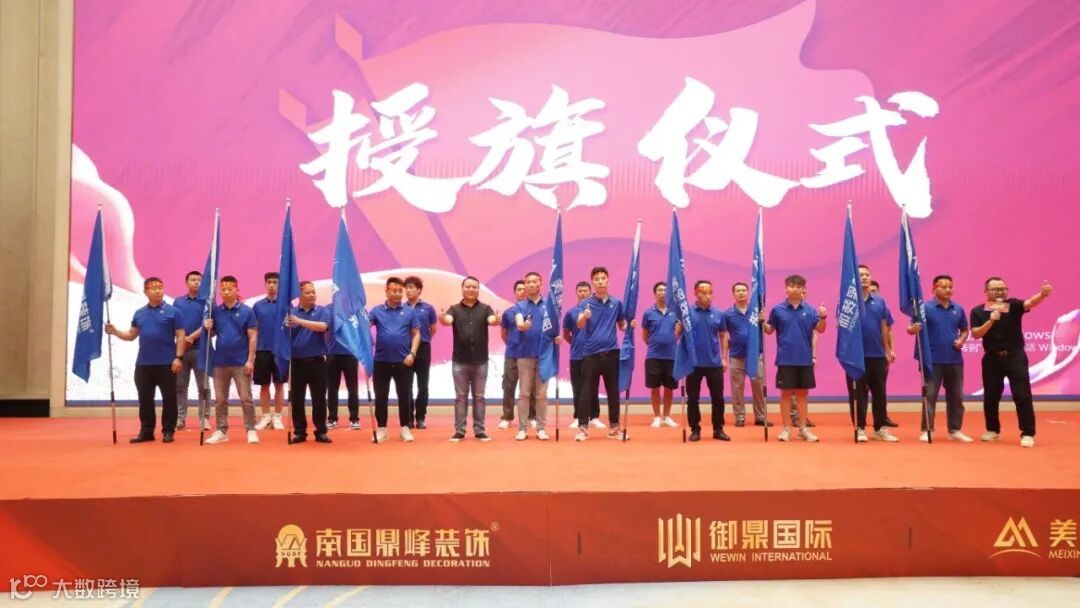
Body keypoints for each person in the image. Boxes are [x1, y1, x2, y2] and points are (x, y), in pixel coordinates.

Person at [970, 277, 1052, 448]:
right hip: (992, 358)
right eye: (995, 289)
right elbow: (976, 334)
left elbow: (1030, 303)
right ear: (986, 292)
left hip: (1015, 356)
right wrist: (991, 320)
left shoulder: (1013, 305)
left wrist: (1042, 295)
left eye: (1003, 289)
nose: (1000, 292)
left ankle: (1027, 433)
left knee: (1022, 395)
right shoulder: (978, 311)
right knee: (991, 396)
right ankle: (993, 430)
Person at [105, 277, 184, 443]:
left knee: (169, 399)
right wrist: (115, 331)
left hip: (167, 364)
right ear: (145, 291)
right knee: (145, 399)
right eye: (153, 288)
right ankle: (147, 431)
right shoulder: (139, 313)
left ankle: (168, 431)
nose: (157, 290)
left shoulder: (173, 312)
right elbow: (131, 335)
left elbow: (181, 336)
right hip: (143, 364)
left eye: (160, 287)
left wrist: (178, 357)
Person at [907, 275, 972, 442]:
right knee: (930, 395)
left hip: (954, 359)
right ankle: (927, 429)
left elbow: (965, 330)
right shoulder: (924, 308)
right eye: (943, 287)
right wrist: (913, 329)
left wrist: (962, 340)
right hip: (932, 360)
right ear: (933, 289)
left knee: (956, 396)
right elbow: (910, 328)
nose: (948, 289)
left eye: (950, 287)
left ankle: (955, 430)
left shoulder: (958, 308)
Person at [762, 274, 826, 443]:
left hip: (804, 359)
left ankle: (803, 429)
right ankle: (786, 429)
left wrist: (823, 317)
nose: (795, 289)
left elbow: (821, 329)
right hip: (785, 359)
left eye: (799, 286)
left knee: (803, 395)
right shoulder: (777, 310)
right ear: (786, 288)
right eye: (791, 286)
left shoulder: (810, 310)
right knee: (785, 395)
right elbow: (769, 330)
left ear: (804, 289)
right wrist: (761, 322)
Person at [440, 276, 499, 442]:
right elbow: (447, 320)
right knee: (461, 397)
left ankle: (480, 430)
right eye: (468, 287)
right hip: (460, 360)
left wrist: (495, 320)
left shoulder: (486, 308)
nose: (471, 289)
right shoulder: (454, 309)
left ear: (478, 289)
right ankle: (460, 430)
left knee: (479, 397)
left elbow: (492, 319)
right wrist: (443, 318)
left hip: (481, 360)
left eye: (474, 287)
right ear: (462, 289)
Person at [203, 276, 259, 445]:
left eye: (230, 289)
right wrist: (208, 327)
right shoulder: (216, 311)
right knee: (220, 399)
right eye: (223, 289)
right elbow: (213, 334)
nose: (226, 292)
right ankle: (221, 430)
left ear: (237, 290)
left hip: (241, 362)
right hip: (220, 362)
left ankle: (251, 429)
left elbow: (252, 337)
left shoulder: (247, 311)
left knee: (245, 398)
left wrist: (250, 360)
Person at [846, 265, 899, 443]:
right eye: (861, 275)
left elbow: (884, 326)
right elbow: (843, 329)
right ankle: (860, 428)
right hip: (856, 358)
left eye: (867, 274)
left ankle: (880, 428)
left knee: (880, 394)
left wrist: (887, 350)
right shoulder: (848, 301)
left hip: (877, 356)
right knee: (858, 395)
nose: (865, 277)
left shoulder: (880, 301)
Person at [576, 267, 629, 441]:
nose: (600, 281)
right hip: (591, 354)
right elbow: (579, 325)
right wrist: (584, 316)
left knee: (613, 392)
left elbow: (621, 324)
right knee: (586, 392)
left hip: (612, 353)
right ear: (593, 282)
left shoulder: (616, 303)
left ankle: (614, 428)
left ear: (608, 280)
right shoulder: (586, 303)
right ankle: (582, 428)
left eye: (603, 278)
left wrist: (628, 325)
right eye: (597, 279)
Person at [370, 277, 421, 443]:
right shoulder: (376, 311)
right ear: (386, 291)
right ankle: (382, 429)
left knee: (404, 396)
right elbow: (364, 328)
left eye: (400, 291)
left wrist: (412, 354)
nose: (398, 294)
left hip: (403, 361)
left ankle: (405, 428)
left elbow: (416, 334)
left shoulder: (409, 311)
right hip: (381, 361)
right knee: (381, 397)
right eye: (394, 290)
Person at [513, 271, 558, 441]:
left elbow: (555, 328)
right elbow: (519, 321)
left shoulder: (550, 306)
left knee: (541, 394)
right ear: (525, 285)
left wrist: (557, 338)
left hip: (545, 355)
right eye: (528, 282)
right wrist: (522, 325)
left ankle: (541, 428)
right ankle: (522, 428)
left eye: (535, 281)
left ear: (541, 283)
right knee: (524, 393)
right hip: (525, 355)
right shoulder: (520, 306)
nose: (532, 284)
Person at [684, 280, 730, 442]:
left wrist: (724, 358)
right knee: (692, 399)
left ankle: (718, 429)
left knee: (718, 399)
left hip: (714, 363)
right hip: (693, 364)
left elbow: (723, 336)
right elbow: (679, 335)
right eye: (703, 293)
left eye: (710, 292)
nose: (708, 296)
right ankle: (695, 429)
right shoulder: (687, 313)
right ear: (696, 293)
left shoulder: (718, 313)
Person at [287, 281, 332, 444]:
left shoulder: (322, 311)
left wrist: (299, 321)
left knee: (319, 398)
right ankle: (300, 431)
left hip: (317, 361)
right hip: (296, 362)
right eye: (308, 292)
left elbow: (323, 327)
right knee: (297, 398)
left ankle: (320, 431)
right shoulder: (290, 313)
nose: (312, 295)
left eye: (313, 292)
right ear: (299, 295)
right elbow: (283, 334)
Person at [725, 282, 769, 428]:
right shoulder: (728, 314)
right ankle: (740, 416)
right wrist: (725, 354)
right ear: (733, 294)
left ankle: (761, 416)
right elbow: (724, 335)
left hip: (755, 356)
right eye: (738, 291)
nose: (741, 293)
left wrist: (763, 321)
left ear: (748, 293)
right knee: (737, 388)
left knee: (758, 387)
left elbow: (768, 331)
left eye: (744, 290)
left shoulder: (756, 311)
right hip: (736, 356)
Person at [173, 270, 211, 431]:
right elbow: (174, 324)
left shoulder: (207, 302)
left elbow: (210, 324)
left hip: (201, 350)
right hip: (181, 350)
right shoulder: (178, 302)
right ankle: (180, 418)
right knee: (180, 386)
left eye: (199, 280)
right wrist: (183, 340)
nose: (196, 282)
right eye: (193, 280)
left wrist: (191, 338)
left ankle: (204, 418)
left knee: (203, 386)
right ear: (186, 282)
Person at [641, 281, 680, 428]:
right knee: (655, 388)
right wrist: (656, 345)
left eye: (665, 290)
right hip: (654, 357)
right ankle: (657, 417)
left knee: (669, 388)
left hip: (672, 356)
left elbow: (678, 333)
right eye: (660, 290)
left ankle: (667, 416)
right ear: (655, 293)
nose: (663, 292)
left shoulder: (675, 312)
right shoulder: (648, 313)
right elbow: (645, 336)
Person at [563, 281, 602, 429]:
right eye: (580, 291)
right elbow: (566, 333)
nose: (583, 293)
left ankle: (594, 416)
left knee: (593, 386)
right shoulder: (571, 312)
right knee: (578, 387)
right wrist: (576, 343)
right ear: (576, 292)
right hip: (577, 356)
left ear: (590, 292)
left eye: (585, 291)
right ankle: (579, 417)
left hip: (593, 355)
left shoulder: (596, 310)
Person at [498, 280, 536, 429]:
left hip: (530, 354)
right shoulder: (509, 312)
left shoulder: (535, 310)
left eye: (524, 289)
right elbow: (504, 334)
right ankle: (507, 417)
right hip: (512, 354)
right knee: (509, 386)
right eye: (519, 289)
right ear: (515, 292)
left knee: (530, 387)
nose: (522, 291)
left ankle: (531, 416)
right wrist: (513, 345)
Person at [252, 272, 286, 431]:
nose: (272, 285)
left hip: (280, 351)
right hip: (262, 350)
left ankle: (277, 416)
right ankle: (266, 416)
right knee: (264, 385)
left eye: (275, 282)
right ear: (265, 284)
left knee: (279, 385)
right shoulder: (257, 306)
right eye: (269, 282)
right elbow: (253, 329)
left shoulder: (286, 305)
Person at [404, 276, 438, 429]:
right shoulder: (402, 308)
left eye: (411, 287)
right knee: (406, 385)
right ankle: (408, 418)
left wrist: (424, 340)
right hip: (405, 349)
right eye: (406, 288)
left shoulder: (428, 308)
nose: (408, 290)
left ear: (419, 290)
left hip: (423, 348)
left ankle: (421, 417)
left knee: (423, 385)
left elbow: (433, 329)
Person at [326, 307, 361, 431]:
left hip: (350, 354)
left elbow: (360, 329)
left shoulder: (354, 309)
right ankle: (332, 418)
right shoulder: (327, 309)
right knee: (332, 388)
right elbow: (323, 329)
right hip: (332, 353)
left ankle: (354, 419)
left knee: (352, 388)